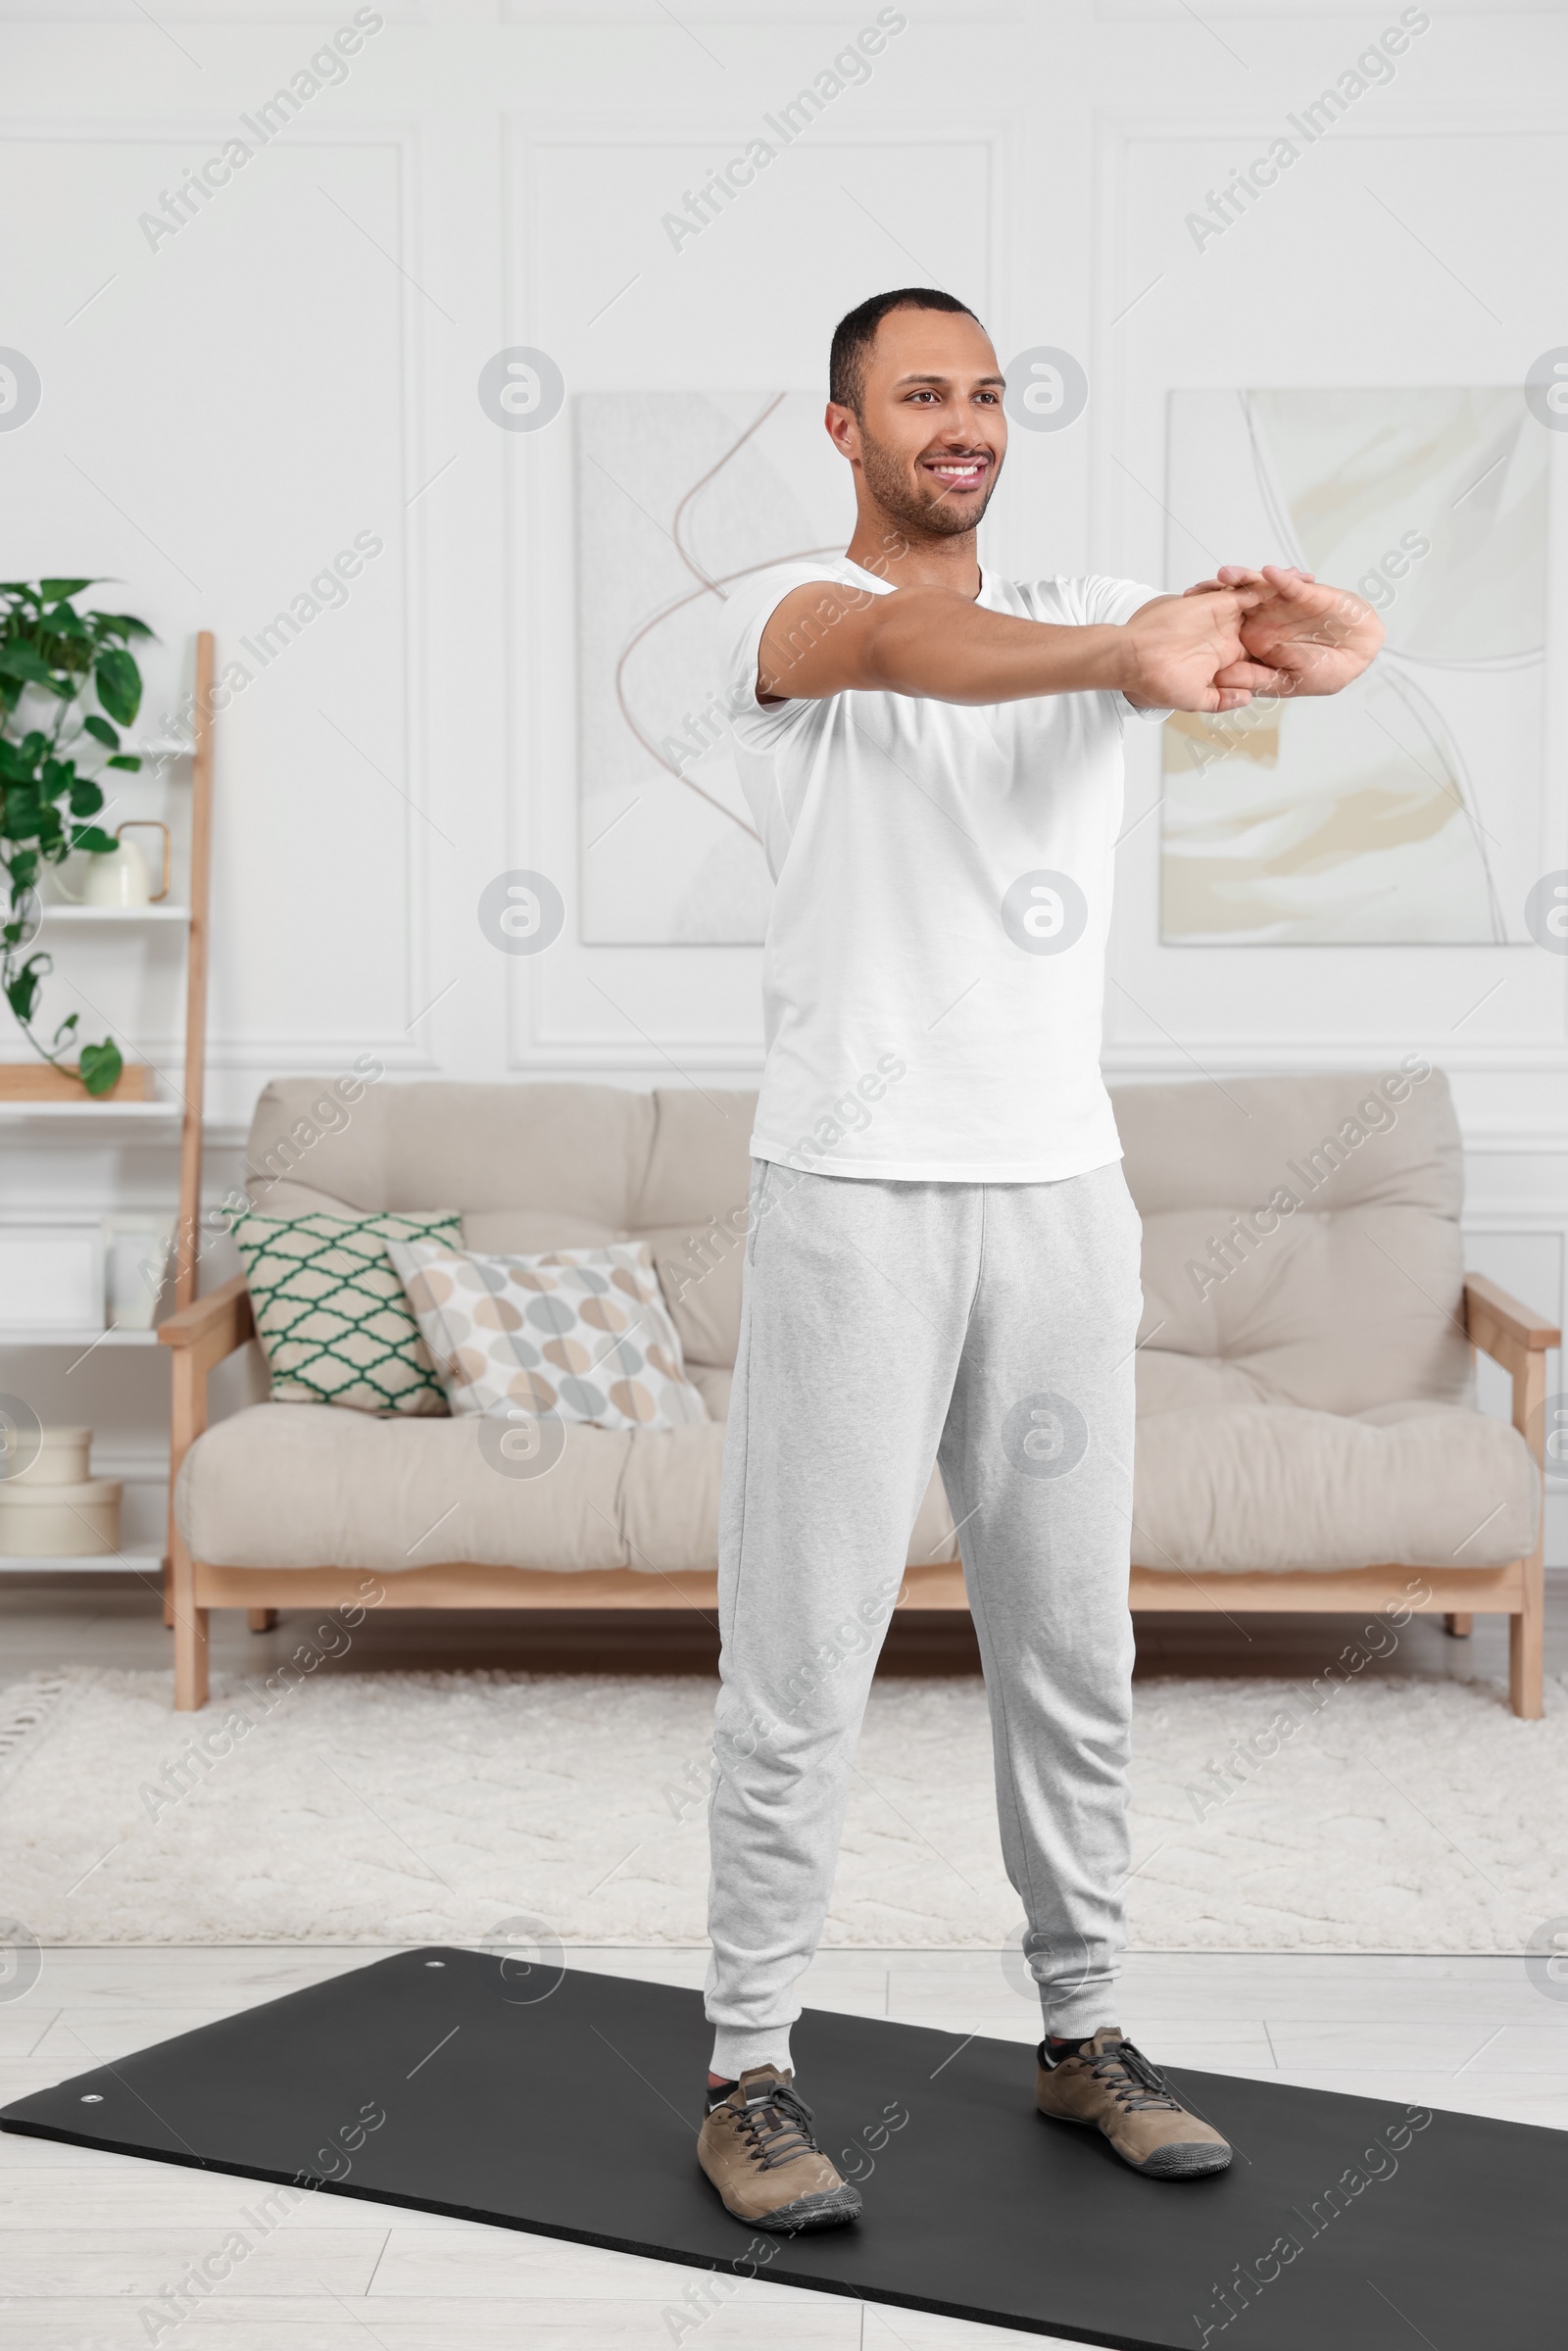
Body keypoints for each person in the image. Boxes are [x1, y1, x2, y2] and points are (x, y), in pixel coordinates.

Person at [695, 287, 1383, 2230]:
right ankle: (748, 2069)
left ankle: (1081, 2032)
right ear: (843, 429)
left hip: (1061, 1202)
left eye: (985, 391)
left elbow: (1240, 651)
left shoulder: (1093, 611)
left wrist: (1322, 651)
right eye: (920, 394)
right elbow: (918, 639)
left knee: (1076, 1647)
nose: (961, 421)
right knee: (803, 1661)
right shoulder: (785, 612)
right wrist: (1124, 652)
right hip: (846, 1198)